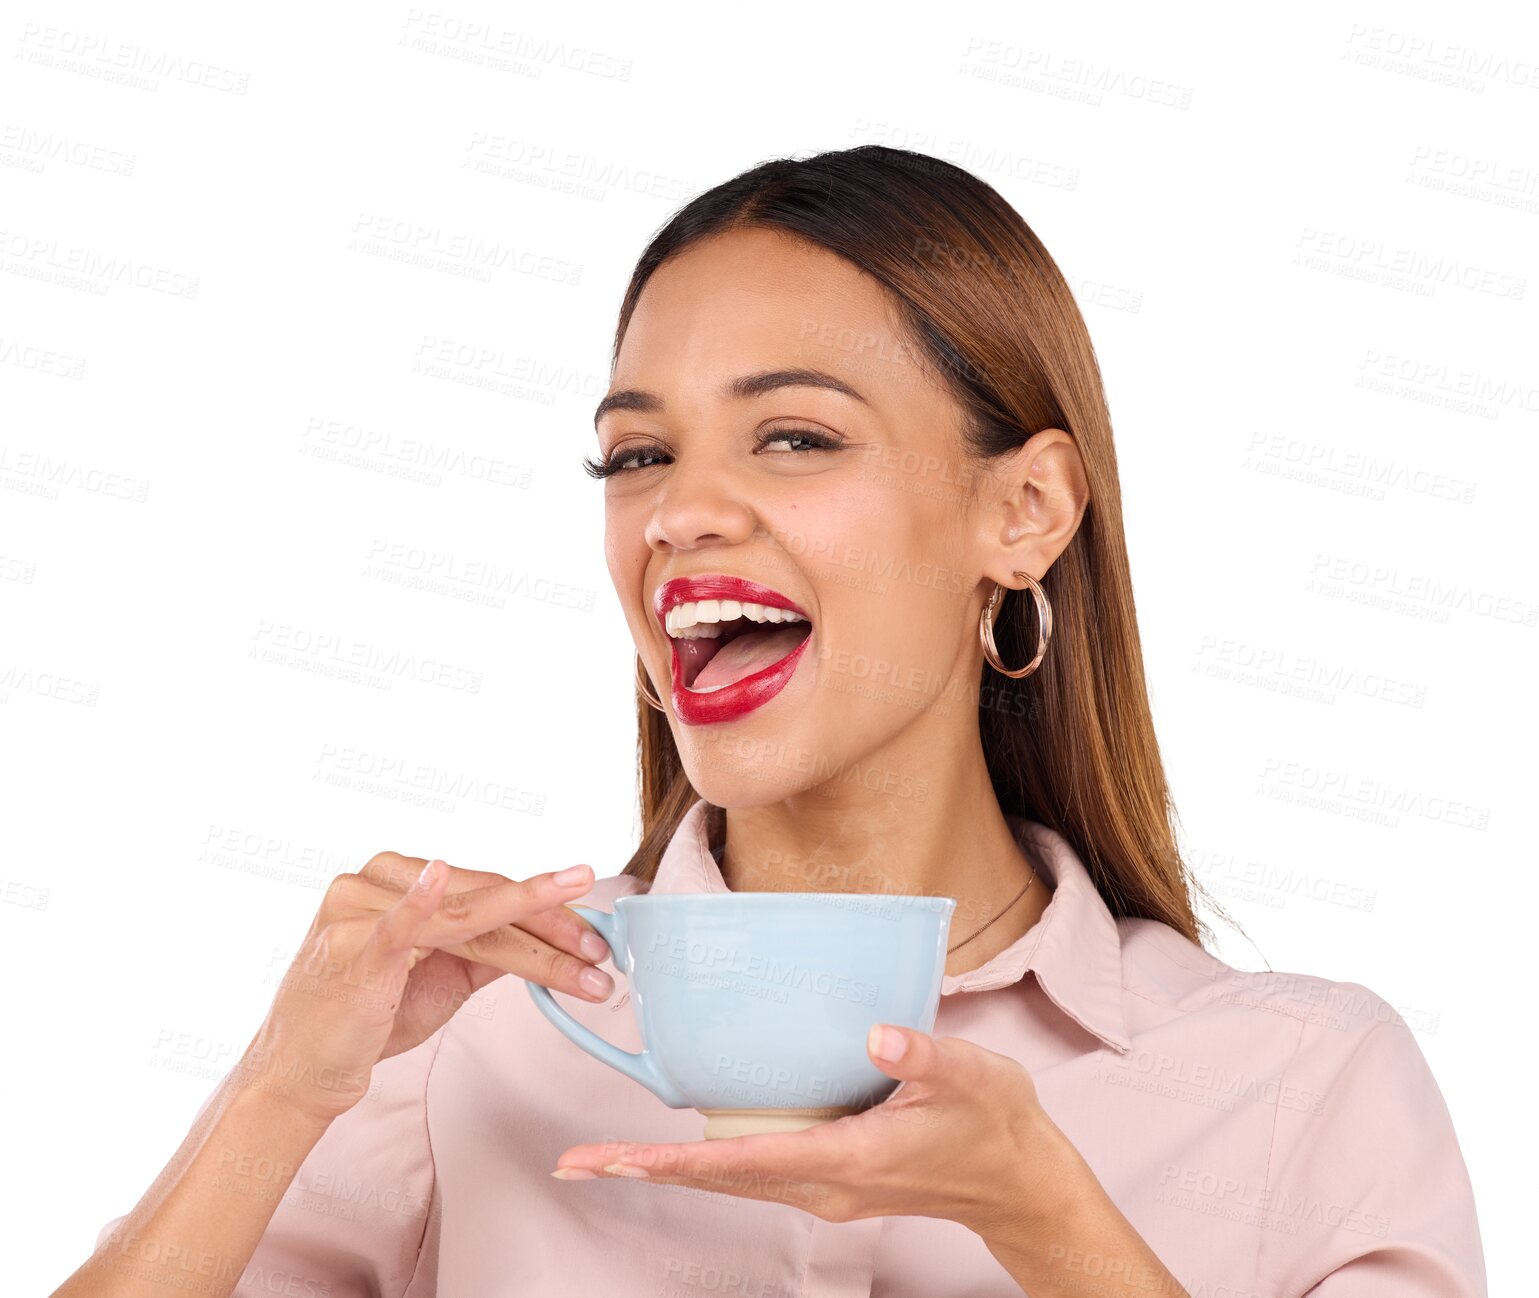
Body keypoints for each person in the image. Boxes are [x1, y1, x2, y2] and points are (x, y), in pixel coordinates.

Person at [56, 146, 1486, 1297]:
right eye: (637, 454)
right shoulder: (470, 1051)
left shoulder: (1305, 1084)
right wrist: (273, 1093)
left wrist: (1054, 1226)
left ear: (1024, 511)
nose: (677, 512)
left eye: (794, 436)